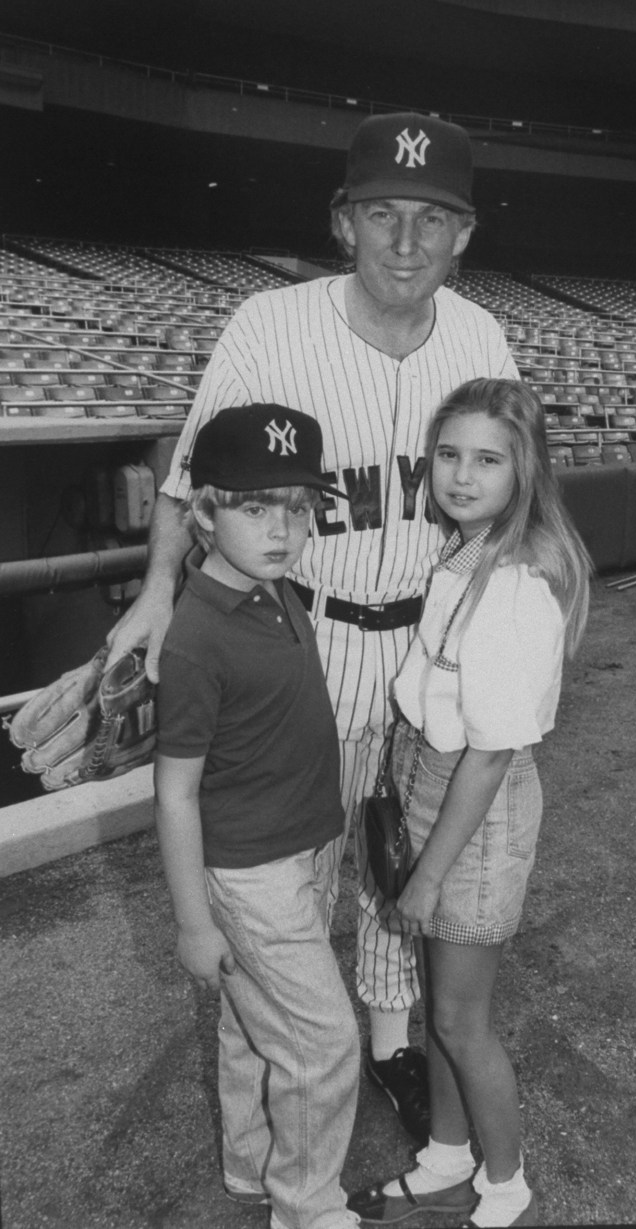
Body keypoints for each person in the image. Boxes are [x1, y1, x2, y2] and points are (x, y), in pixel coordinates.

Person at [106, 110, 520, 1142]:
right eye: (382, 214)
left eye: (433, 218)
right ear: (343, 221)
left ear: (465, 234)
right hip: (304, 639)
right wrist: (157, 592)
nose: (407, 241)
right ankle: (268, 1084)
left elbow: (514, 490)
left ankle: (389, 1045)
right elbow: (189, 477)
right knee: (287, 880)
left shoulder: (482, 336)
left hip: (430, 651)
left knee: (402, 865)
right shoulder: (269, 325)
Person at [349, 379, 591, 1228]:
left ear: (525, 470)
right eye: (448, 454)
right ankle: (447, 1160)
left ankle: (507, 1187)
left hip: (474, 810)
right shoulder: (465, 549)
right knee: (438, 1006)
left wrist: (425, 878)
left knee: (460, 1020)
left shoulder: (516, 580)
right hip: (434, 783)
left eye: (487, 459)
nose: (460, 474)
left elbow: (489, 754)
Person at [153, 403, 360, 1229]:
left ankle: (250, 1165)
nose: (282, 528)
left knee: (253, 1021)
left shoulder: (273, 587)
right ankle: (307, 1207)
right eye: (254, 506)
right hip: (250, 870)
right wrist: (192, 922)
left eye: (299, 508)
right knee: (323, 1043)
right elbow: (174, 792)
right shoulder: (195, 636)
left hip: (303, 845)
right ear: (204, 513)